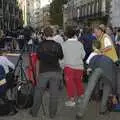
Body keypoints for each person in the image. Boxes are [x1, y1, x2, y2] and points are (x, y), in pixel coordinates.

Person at [76, 40, 117, 119]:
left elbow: (88, 70)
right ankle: (102, 110)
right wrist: (114, 95)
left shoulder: (95, 56)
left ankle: (80, 113)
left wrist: (89, 75)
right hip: (109, 72)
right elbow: (114, 81)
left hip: (97, 69)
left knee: (88, 90)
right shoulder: (111, 62)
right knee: (107, 88)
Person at [30, 26, 64, 118]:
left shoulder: (40, 45)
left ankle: (34, 112)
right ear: (52, 34)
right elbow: (61, 57)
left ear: (44, 35)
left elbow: (38, 58)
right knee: (54, 94)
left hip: (44, 71)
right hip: (56, 71)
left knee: (38, 92)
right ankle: (52, 114)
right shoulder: (57, 45)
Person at [62, 26, 85, 107]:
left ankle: (71, 100)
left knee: (70, 83)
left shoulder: (64, 44)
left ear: (66, 35)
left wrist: (61, 66)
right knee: (79, 82)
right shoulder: (79, 44)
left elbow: (61, 57)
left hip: (69, 67)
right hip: (79, 67)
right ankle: (81, 98)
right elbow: (83, 55)